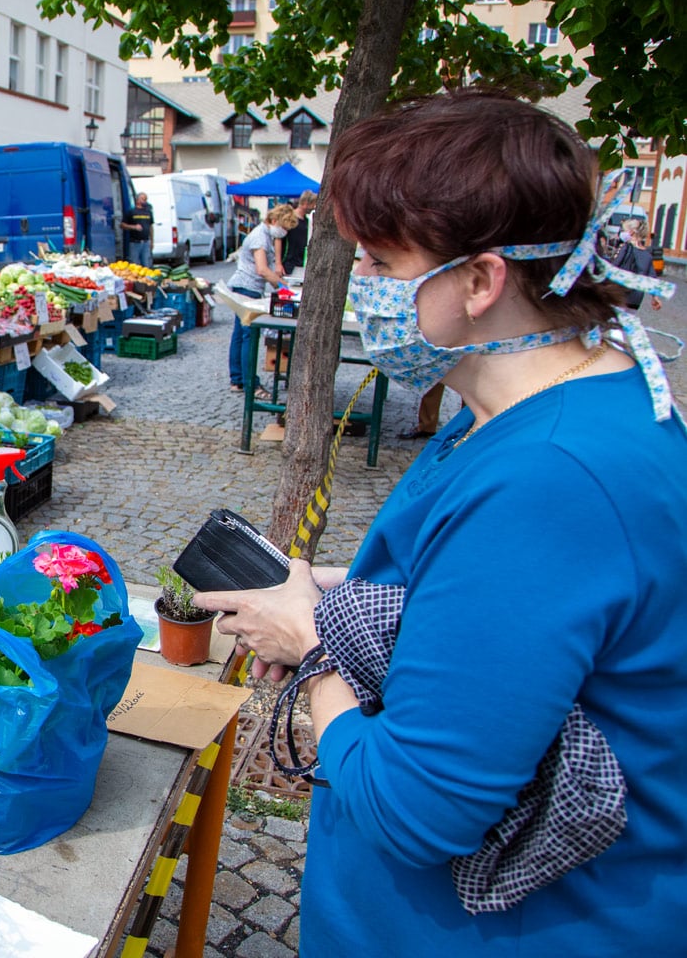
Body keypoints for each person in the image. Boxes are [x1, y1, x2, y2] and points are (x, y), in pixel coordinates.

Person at [194, 91, 686, 955]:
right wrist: (342, 589)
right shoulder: (521, 404)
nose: (364, 291)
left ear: (481, 279)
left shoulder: (551, 479)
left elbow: (414, 809)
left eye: (383, 264)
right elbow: (483, 599)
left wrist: (310, 646)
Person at [228, 202, 299, 397]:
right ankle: (251, 383)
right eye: (284, 227)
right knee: (248, 335)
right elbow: (262, 269)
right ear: (274, 220)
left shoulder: (265, 234)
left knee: (240, 335)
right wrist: (283, 288)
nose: (284, 232)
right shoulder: (260, 237)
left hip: (244, 287)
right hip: (247, 289)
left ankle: (237, 380)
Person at [611, 220, 664, 310]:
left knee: (611, 321)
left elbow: (613, 266)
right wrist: (655, 297)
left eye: (625, 231)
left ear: (631, 232)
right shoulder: (647, 255)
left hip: (619, 294)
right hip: (636, 298)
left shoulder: (626, 248)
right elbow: (652, 278)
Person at [274, 190, 318, 279]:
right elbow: (278, 239)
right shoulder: (289, 218)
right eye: (312, 204)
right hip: (286, 264)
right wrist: (278, 263)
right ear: (305, 203)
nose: (314, 207)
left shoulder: (307, 221)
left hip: (300, 264)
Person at [122, 192, 154, 268]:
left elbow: (151, 227)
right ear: (137, 199)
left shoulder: (148, 212)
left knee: (146, 264)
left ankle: (146, 279)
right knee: (134, 265)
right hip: (135, 243)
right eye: (143, 199)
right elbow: (122, 225)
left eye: (146, 199)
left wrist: (152, 241)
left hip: (146, 242)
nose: (145, 201)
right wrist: (134, 227)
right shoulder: (131, 212)